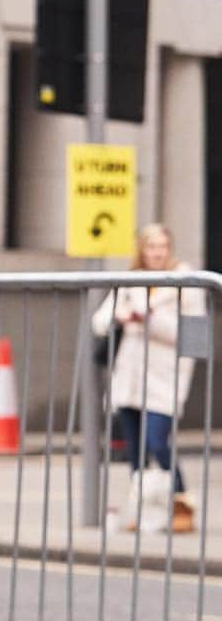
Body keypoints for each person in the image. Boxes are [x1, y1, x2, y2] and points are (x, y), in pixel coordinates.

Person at [92, 223, 203, 533]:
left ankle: (182, 504)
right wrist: (120, 315)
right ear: (142, 250)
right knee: (136, 446)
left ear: (171, 250)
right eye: (151, 246)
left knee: (157, 440)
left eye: (162, 247)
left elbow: (195, 339)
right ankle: (142, 512)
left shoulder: (187, 284)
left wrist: (149, 319)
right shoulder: (130, 282)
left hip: (166, 377)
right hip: (129, 375)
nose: (157, 253)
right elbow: (99, 321)